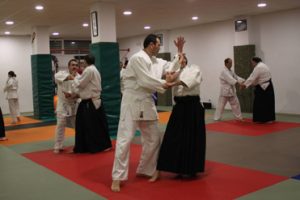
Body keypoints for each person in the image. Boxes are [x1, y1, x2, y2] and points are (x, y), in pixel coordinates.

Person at [111, 34, 185, 192]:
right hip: (131, 102)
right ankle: (117, 177)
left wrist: (180, 50)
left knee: (153, 138)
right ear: (151, 45)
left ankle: (145, 169)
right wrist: (166, 84)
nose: (159, 47)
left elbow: (173, 67)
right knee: (125, 140)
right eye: (158, 44)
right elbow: (145, 80)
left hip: (147, 101)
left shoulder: (157, 61)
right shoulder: (138, 58)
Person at [150, 55, 206, 181]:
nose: (182, 60)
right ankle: (171, 168)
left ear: (187, 60)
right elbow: (169, 78)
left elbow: (189, 82)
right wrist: (172, 76)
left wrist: (173, 83)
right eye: (179, 58)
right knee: (172, 136)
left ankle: (191, 169)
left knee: (192, 137)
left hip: (193, 107)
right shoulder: (175, 71)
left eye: (184, 58)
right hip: (179, 107)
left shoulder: (194, 68)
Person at [71, 54, 112, 153]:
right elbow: (85, 86)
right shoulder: (94, 69)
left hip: (91, 102)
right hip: (92, 101)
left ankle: (96, 146)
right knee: (95, 125)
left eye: (83, 61)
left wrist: (74, 77)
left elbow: (81, 84)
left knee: (91, 126)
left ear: (85, 61)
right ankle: (99, 145)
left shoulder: (89, 70)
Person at [53, 59, 80, 154]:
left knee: (77, 126)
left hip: (74, 104)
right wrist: (71, 77)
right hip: (62, 104)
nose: (74, 67)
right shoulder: (61, 73)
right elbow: (56, 77)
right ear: (68, 66)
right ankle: (58, 145)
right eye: (72, 65)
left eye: (76, 65)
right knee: (60, 125)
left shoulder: (80, 78)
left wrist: (74, 96)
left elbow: (81, 92)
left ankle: (79, 145)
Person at [241, 57, 275, 123]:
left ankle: (262, 119)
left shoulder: (258, 67)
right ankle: (270, 119)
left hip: (263, 87)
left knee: (260, 103)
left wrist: (244, 85)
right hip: (268, 86)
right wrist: (246, 83)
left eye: (252, 63)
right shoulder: (264, 65)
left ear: (254, 61)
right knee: (268, 103)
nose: (252, 64)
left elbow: (252, 78)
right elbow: (254, 77)